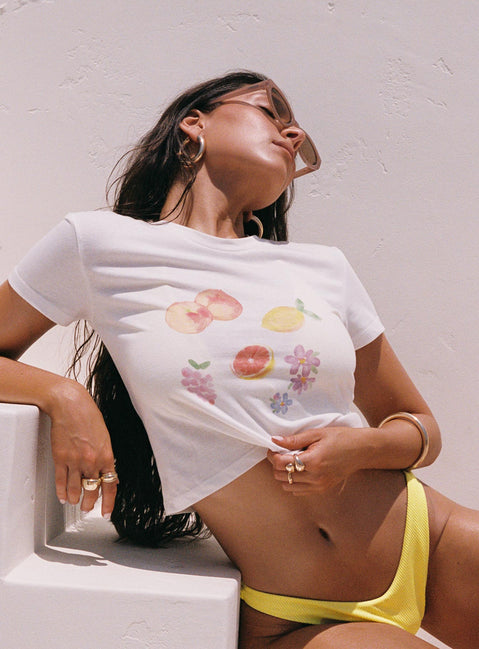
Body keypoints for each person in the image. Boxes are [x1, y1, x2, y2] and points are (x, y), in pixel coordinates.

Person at [0, 70, 478, 649]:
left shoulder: (322, 267)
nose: (294, 134)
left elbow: (419, 426)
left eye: (299, 133)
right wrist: (63, 395)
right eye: (271, 112)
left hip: (431, 538)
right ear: (193, 125)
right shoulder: (98, 243)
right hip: (298, 612)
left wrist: (359, 449)